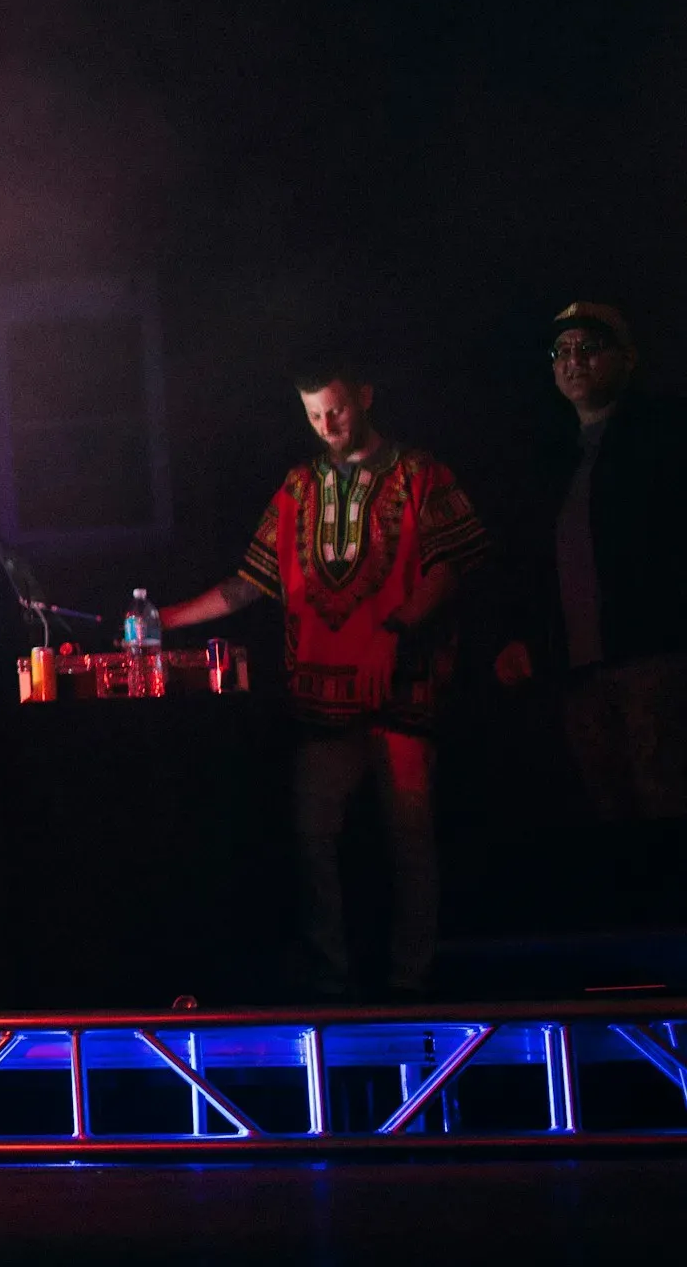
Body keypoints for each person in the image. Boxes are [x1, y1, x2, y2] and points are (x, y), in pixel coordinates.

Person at [161, 359, 488, 996]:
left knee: (411, 841)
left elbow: (450, 566)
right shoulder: (298, 486)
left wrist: (395, 631)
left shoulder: (421, 474)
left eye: (334, 409)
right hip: (319, 698)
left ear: (365, 396)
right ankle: (330, 973)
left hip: (403, 689)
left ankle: (411, 979)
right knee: (314, 839)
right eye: (313, 414)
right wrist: (168, 617)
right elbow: (251, 580)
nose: (326, 424)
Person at [492, 303, 687, 824]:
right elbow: (532, 556)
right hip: (577, 665)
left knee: (664, 799)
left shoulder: (665, 434)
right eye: (562, 351)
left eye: (589, 347)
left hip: (653, 656)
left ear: (626, 358)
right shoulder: (554, 456)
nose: (572, 360)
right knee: (609, 808)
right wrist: (521, 635)